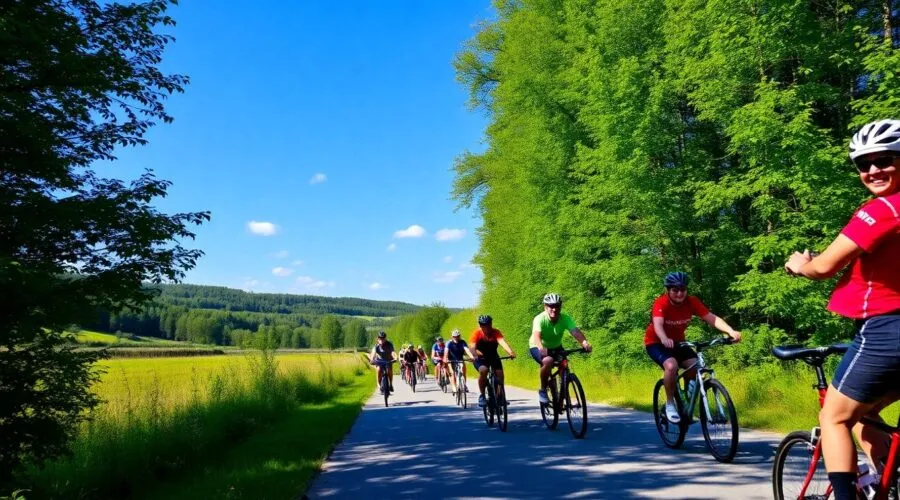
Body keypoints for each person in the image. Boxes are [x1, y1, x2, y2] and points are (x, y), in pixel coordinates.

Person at [784, 119, 900, 500]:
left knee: (834, 417)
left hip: (887, 330)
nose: (871, 171)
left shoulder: (882, 210)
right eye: (862, 165)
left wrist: (800, 265)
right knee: (867, 415)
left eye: (883, 160)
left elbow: (824, 267)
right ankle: (888, 481)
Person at [644, 272, 741, 424]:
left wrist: (730, 331)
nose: (679, 293)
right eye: (675, 290)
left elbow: (712, 318)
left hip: (679, 343)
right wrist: (664, 338)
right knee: (671, 366)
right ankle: (670, 404)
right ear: (668, 290)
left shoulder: (692, 301)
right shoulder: (661, 303)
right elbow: (658, 324)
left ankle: (686, 402)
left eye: (683, 289)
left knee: (696, 365)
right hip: (656, 343)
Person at [530, 294, 592, 405]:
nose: (554, 309)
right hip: (537, 346)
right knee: (548, 361)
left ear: (560, 306)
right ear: (545, 307)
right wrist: (541, 348)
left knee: (564, 364)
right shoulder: (539, 319)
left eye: (557, 306)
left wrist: (584, 342)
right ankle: (543, 390)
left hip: (556, 346)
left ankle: (564, 392)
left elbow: (575, 332)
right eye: (551, 306)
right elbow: (536, 335)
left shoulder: (565, 318)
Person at [471, 315, 516, 407]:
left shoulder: (496, 332)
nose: (487, 326)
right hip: (480, 358)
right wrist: (475, 354)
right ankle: (482, 395)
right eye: (484, 325)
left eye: (488, 324)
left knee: (500, 374)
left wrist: (510, 352)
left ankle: (500, 396)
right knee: (483, 370)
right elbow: (472, 347)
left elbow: (502, 342)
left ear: (491, 323)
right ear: (480, 325)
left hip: (493, 356)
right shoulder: (477, 333)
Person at [443, 329, 475, 394]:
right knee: (452, 374)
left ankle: (464, 385)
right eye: (454, 336)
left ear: (459, 336)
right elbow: (446, 352)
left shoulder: (462, 342)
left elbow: (467, 350)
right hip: (451, 360)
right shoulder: (449, 343)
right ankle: (454, 387)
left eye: (457, 336)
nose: (456, 338)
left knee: (463, 370)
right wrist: (445, 359)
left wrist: (471, 356)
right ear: (452, 337)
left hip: (460, 359)